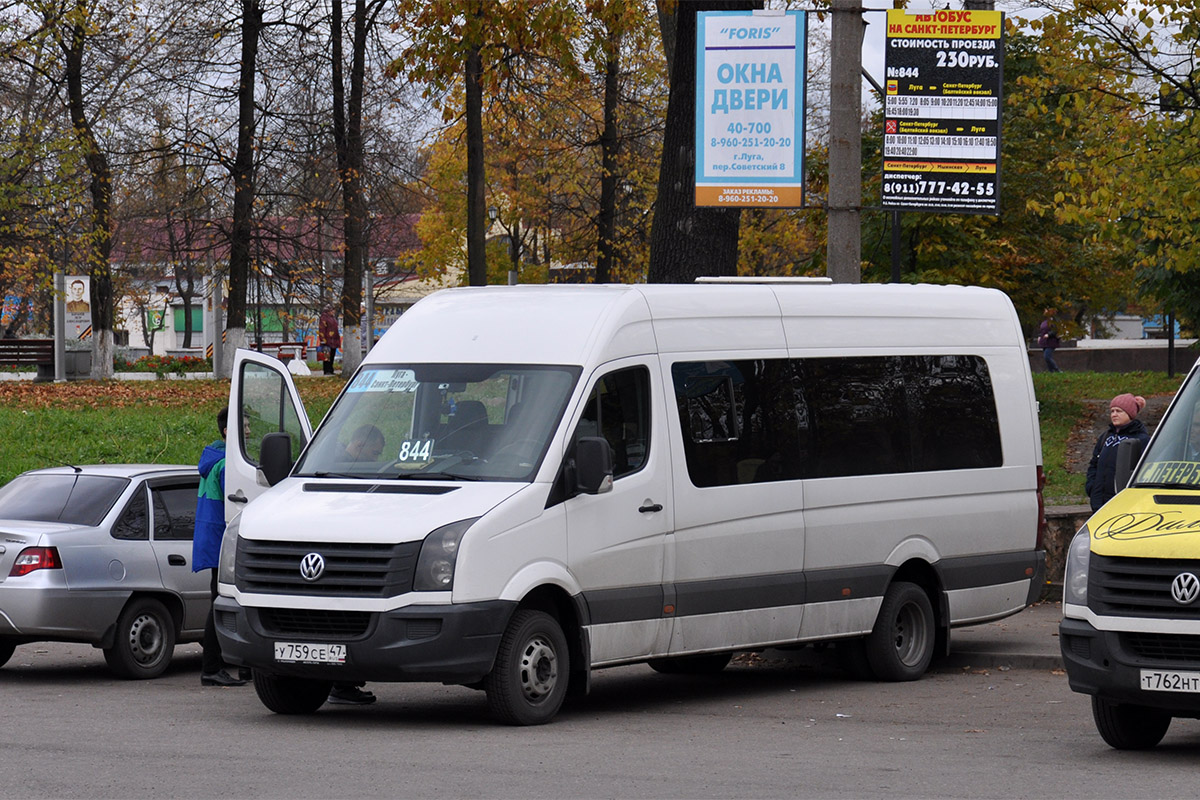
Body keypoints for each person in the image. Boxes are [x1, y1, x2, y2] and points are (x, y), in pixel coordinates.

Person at [194, 407, 248, 687]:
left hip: (211, 541)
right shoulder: (227, 464)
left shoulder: (212, 457)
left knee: (221, 601)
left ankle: (231, 667)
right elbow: (241, 503)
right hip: (223, 543)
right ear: (229, 431)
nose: (249, 432)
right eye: (244, 427)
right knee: (224, 603)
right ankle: (212, 668)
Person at [1085, 393, 1150, 511]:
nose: (1114, 414)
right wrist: (1091, 487)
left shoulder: (1141, 439)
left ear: (1130, 414)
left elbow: (1145, 470)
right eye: (1112, 411)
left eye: (1119, 411)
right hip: (1099, 502)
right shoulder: (1105, 437)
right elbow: (1094, 464)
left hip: (1124, 503)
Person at [318, 304, 341, 376]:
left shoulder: (332, 318)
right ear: (328, 311)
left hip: (333, 340)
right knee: (326, 356)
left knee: (332, 355)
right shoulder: (324, 317)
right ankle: (326, 370)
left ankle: (331, 369)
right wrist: (322, 339)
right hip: (327, 340)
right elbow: (322, 328)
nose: (333, 311)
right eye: (332, 310)